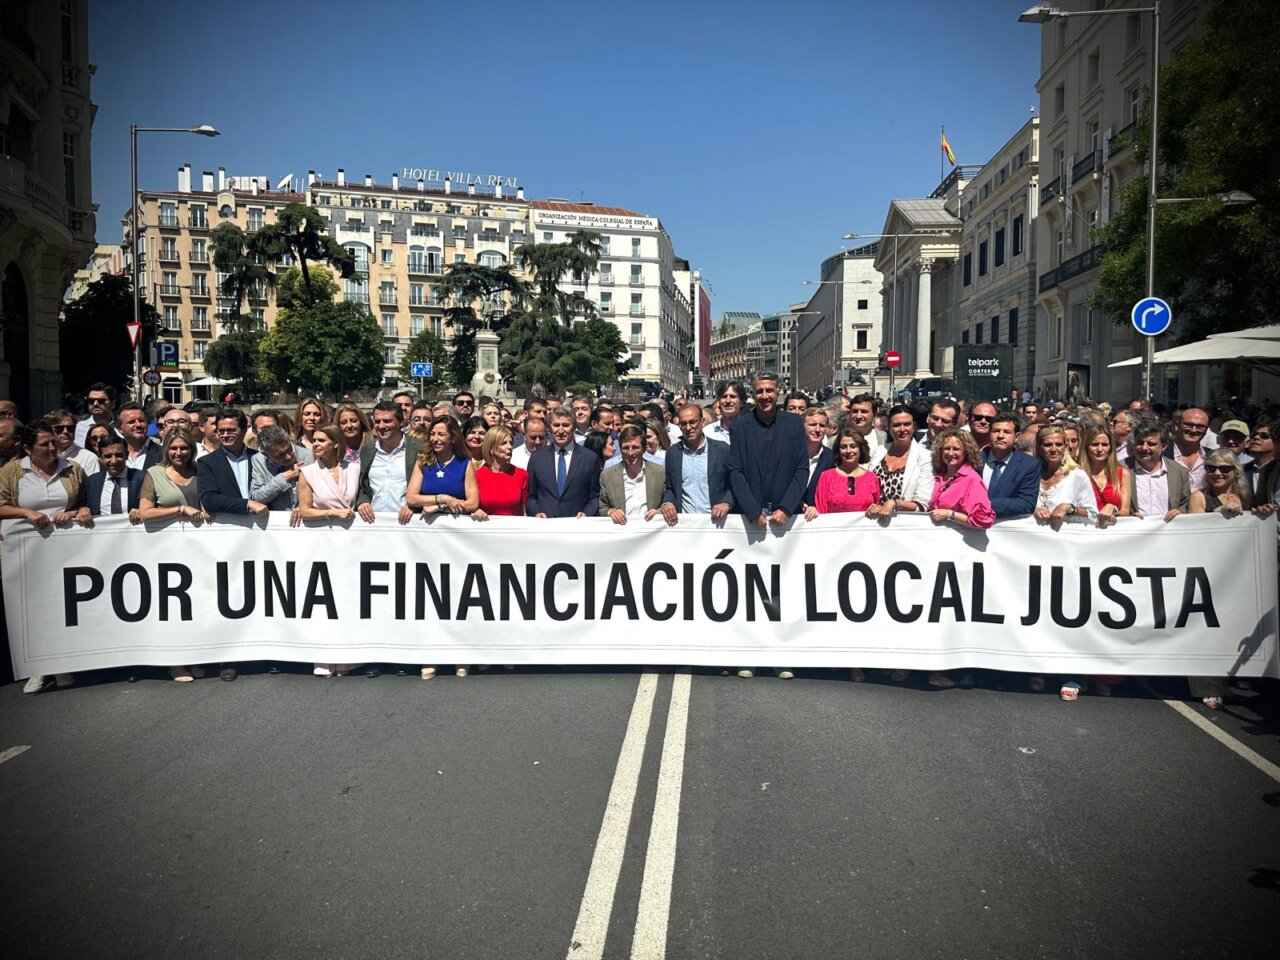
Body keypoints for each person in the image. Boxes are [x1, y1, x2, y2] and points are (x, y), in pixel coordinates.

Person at [0, 420, 91, 693]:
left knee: (61, 607)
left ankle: (62, 663)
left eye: (53, 442)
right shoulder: (11, 471)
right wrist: (26, 513)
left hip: (64, 550)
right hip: (24, 551)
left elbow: (84, 502)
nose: (52, 448)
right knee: (32, 610)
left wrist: (78, 512)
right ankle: (38, 669)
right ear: (28, 449)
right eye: (44, 445)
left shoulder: (73, 470)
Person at [727, 372, 807, 680]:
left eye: (769, 390)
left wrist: (787, 507)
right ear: (753, 394)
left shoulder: (793, 425)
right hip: (752, 518)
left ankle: (781, 656)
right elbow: (735, 471)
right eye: (759, 391)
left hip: (784, 519)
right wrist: (751, 510)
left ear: (779, 392)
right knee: (750, 591)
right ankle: (749, 654)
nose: (764, 396)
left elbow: (801, 469)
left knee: (781, 591)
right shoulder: (742, 426)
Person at [1029, 425, 1098, 700]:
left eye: (1059, 444)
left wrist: (1067, 508)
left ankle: (1072, 674)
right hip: (1034, 554)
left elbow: (1092, 514)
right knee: (1038, 612)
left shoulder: (1077, 476)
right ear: (1039, 447)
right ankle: (1039, 667)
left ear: (1067, 447)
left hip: (1068, 555)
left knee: (1068, 614)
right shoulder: (1030, 472)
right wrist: (1031, 508)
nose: (1054, 449)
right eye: (1047, 445)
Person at [409, 417, 478, 680]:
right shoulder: (423, 461)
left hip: (456, 539)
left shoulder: (464, 463)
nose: (436, 439)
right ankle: (431, 654)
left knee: (458, 597)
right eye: (433, 434)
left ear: (453, 438)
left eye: (442, 434)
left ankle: (461, 653)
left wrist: (440, 506)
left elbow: (472, 502)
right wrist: (442, 500)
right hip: (428, 541)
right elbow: (412, 497)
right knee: (430, 597)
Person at [1187, 450, 1252, 709]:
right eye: (1211, 468)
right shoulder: (1199, 496)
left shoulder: (1245, 496)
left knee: (1230, 630)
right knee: (1205, 629)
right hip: (1206, 572)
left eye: (1224, 469)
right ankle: (1207, 687)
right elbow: (1194, 528)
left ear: (1235, 472)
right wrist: (1221, 513)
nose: (1217, 473)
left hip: (1235, 572)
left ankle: (1225, 684)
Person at [659, 403, 734, 524]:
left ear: (702, 422)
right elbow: (670, 487)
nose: (688, 428)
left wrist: (726, 503)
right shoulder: (673, 453)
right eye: (683, 424)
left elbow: (734, 484)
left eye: (692, 422)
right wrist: (667, 503)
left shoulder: (723, 450)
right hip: (685, 523)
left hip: (716, 522)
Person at [527, 407, 601, 519]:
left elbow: (595, 497)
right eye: (556, 425)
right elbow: (531, 496)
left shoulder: (590, 458)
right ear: (549, 428)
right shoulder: (537, 458)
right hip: (545, 526)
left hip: (576, 526)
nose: (561, 431)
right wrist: (536, 512)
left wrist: (587, 513)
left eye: (566, 425)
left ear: (574, 427)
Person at [866, 405, 936, 522]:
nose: (902, 429)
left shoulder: (926, 457)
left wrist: (894, 503)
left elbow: (922, 504)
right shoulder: (878, 451)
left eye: (907, 424)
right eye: (897, 425)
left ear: (913, 426)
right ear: (889, 428)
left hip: (903, 525)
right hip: (873, 521)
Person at [356, 401, 420, 526]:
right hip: (374, 522)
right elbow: (363, 485)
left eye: (387, 421)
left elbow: (427, 485)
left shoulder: (418, 449)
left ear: (401, 422)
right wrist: (363, 502)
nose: (381, 426)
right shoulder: (368, 449)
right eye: (377, 421)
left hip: (409, 522)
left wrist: (415, 506)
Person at [805, 426, 881, 519]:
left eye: (853, 446)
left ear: (861, 449)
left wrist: (878, 509)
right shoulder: (827, 477)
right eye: (843, 447)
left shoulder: (872, 478)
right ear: (838, 450)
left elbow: (877, 506)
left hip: (863, 532)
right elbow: (821, 510)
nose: (848, 451)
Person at [1126, 415, 1191, 521]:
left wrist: (1180, 512)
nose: (1144, 448)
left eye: (1151, 444)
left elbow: (1186, 503)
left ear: (1164, 446)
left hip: (1168, 532)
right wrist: (1126, 517)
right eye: (1140, 442)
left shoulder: (1179, 472)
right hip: (1134, 533)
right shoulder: (1120, 469)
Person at [599, 424, 665, 524]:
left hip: (651, 531)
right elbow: (602, 507)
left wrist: (659, 512)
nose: (630, 453)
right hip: (622, 530)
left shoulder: (659, 472)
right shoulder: (607, 475)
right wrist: (611, 511)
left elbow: (668, 502)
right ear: (620, 449)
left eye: (635, 447)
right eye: (626, 448)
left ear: (643, 449)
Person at [982, 413, 1039, 518]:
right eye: (995, 431)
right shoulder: (975, 459)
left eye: (1007, 432)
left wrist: (983, 504)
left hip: (1006, 529)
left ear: (1016, 437)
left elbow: (1027, 503)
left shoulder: (1028, 465)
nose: (1000, 436)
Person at [473, 426, 528, 520]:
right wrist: (476, 511)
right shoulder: (477, 476)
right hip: (486, 530)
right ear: (491, 449)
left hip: (514, 531)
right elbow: (471, 506)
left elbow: (525, 511)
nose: (509, 447)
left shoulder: (521, 474)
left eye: (511, 443)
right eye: (504, 443)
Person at [1080, 423, 1130, 524]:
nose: (1099, 449)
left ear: (1111, 447)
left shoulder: (1122, 473)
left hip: (1112, 533)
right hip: (1085, 531)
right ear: (1086, 447)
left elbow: (1125, 511)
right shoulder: (1077, 474)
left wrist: (1113, 508)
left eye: (1104, 445)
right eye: (1094, 444)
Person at [86, 434, 143, 519]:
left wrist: (142, 510)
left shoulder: (142, 478)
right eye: (108, 456)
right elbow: (83, 504)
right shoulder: (92, 481)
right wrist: (83, 509)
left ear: (127, 455)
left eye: (118, 455)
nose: (114, 461)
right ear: (100, 458)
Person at [45, 408, 100, 476]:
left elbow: (93, 485)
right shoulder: (41, 455)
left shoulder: (88, 458)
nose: (65, 431)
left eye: (70, 428)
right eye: (59, 428)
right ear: (48, 430)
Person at [800, 407, 834, 511]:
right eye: (813, 425)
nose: (818, 430)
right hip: (789, 519)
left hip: (819, 519)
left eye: (822, 426)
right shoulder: (789, 454)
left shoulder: (833, 458)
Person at [115, 402, 163, 470]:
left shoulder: (163, 454)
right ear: (120, 429)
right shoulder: (114, 454)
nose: (138, 425)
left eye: (141, 421)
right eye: (131, 422)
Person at [74, 382, 116, 446]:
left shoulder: (121, 427)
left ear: (113, 404)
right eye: (91, 400)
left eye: (101, 401)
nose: (95, 404)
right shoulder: (77, 428)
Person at [1243, 421, 1276, 496]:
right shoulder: (1241, 470)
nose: (1256, 437)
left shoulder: (1277, 470)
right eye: (1254, 435)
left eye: (1264, 436)